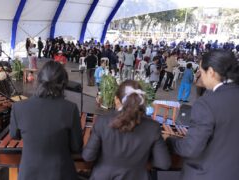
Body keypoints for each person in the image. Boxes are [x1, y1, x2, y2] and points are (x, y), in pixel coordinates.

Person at [165, 49, 239, 180]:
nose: (200, 75)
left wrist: (169, 141)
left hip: (207, 174)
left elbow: (191, 149)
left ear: (211, 72)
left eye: (201, 71)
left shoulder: (207, 103)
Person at [83, 80, 171, 180]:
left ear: (117, 99)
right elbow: (164, 163)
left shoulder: (102, 121)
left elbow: (88, 156)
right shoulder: (153, 127)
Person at [9, 61, 83, 180]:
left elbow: (14, 135)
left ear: (39, 81)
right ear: (63, 84)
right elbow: (76, 146)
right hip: (61, 174)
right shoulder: (70, 108)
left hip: (29, 175)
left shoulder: (18, 107)